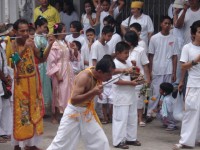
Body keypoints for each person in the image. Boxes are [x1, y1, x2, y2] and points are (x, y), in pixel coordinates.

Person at [47, 56, 115, 150]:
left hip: (87, 112)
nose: (110, 77)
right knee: (61, 144)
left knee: (100, 142)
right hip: (73, 113)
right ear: (100, 72)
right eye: (109, 75)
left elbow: (114, 71)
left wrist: (126, 70)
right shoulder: (84, 77)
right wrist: (93, 92)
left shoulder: (98, 72)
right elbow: (74, 100)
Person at [7, 19, 45, 150]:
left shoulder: (31, 42)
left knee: (32, 114)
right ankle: (18, 145)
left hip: (32, 84)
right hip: (19, 86)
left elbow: (41, 58)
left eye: (27, 31)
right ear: (16, 32)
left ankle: (31, 144)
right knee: (21, 116)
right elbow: (13, 63)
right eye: (21, 31)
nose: (25, 33)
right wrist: (24, 49)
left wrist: (49, 45)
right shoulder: (12, 44)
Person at [173, 20, 200, 150]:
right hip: (194, 84)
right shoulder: (188, 47)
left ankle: (197, 139)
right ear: (194, 34)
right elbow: (183, 65)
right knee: (190, 111)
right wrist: (196, 61)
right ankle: (185, 141)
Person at [147, 16, 178, 122]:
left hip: (168, 69)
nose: (167, 25)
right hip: (157, 69)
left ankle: (164, 114)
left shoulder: (174, 39)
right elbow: (150, 55)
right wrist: (150, 71)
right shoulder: (154, 38)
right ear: (161, 24)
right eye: (165, 23)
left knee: (167, 93)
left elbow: (175, 56)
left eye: (169, 23)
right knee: (155, 92)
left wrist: (174, 72)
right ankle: (150, 113)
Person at [112, 41, 142, 149]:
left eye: (128, 53)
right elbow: (115, 81)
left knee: (132, 117)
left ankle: (131, 138)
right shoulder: (114, 64)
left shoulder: (128, 62)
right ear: (118, 53)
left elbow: (133, 74)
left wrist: (136, 73)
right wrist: (131, 83)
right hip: (121, 95)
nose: (127, 55)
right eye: (125, 53)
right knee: (121, 119)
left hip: (130, 94)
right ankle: (118, 141)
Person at [46, 23, 75, 124]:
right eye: (63, 30)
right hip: (60, 70)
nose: (65, 32)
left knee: (69, 91)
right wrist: (57, 74)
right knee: (59, 92)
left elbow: (71, 58)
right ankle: (55, 115)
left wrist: (74, 50)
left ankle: (67, 114)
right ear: (58, 32)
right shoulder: (54, 44)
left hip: (68, 69)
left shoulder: (66, 42)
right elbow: (51, 60)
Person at [125, 31, 150, 127]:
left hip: (139, 78)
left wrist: (148, 79)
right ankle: (131, 118)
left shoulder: (140, 50)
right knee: (129, 98)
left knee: (139, 99)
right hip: (127, 78)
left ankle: (140, 119)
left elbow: (146, 65)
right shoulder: (125, 49)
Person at [34, 15, 53, 116]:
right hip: (39, 65)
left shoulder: (44, 37)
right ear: (38, 26)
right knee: (39, 86)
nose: (46, 28)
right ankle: (39, 109)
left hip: (46, 64)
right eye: (44, 26)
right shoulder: (34, 38)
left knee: (46, 87)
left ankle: (44, 109)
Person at [0, 23, 13, 143]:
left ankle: (4, 132)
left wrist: (8, 75)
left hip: (4, 80)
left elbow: (6, 63)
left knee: (5, 107)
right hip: (2, 80)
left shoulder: (3, 47)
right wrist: (5, 78)